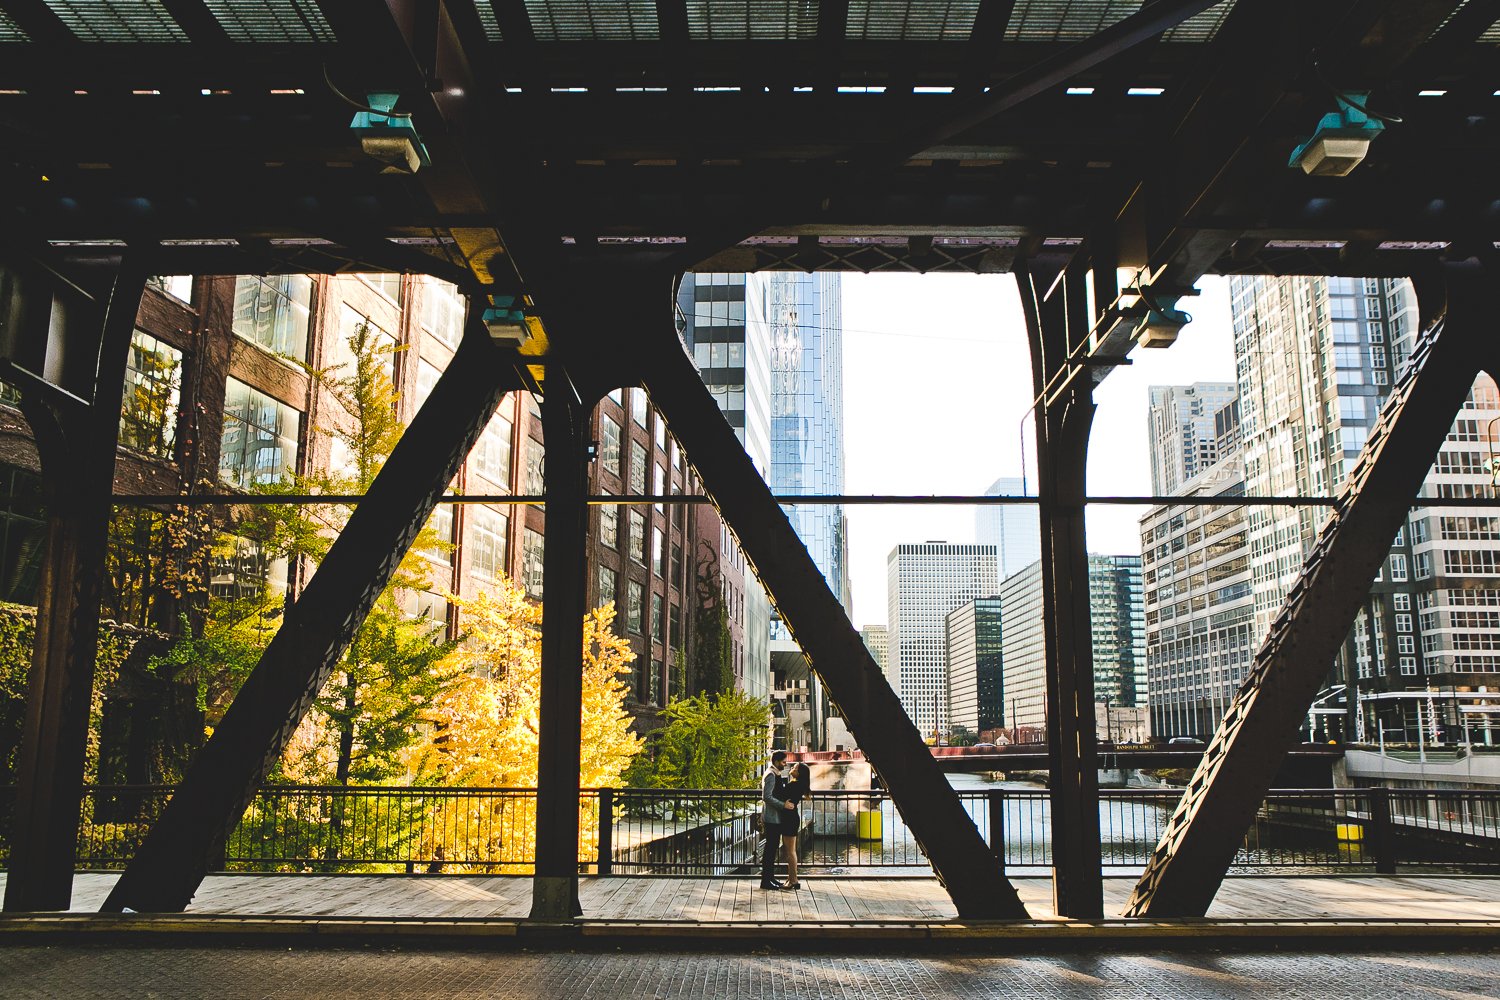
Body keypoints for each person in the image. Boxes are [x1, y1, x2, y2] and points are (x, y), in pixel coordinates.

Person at [759, 751, 794, 889]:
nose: (785, 765)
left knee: (772, 849)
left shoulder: (773, 773)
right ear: (777, 761)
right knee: (770, 850)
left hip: (774, 818)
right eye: (784, 762)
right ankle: (766, 881)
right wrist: (783, 805)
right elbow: (766, 796)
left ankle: (770, 878)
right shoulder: (771, 775)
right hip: (772, 818)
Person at [780, 762, 811, 889]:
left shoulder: (793, 785)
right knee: (791, 851)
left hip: (789, 818)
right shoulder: (800, 785)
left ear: (799, 773)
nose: (792, 768)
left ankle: (793, 880)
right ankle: (791, 878)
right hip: (792, 817)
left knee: (790, 851)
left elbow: (780, 795)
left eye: (794, 768)